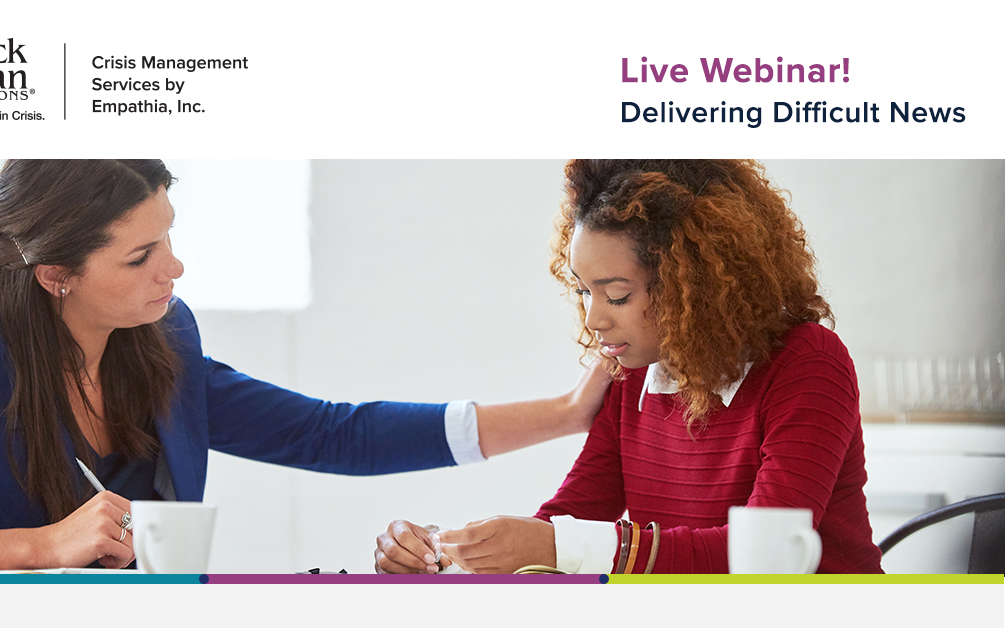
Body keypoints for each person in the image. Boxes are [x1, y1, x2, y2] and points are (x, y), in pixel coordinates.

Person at [0, 160, 609, 573]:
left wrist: (567, 413)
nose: (175, 270)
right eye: (141, 256)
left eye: (171, 238)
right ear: (58, 275)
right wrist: (38, 547)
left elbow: (334, 435)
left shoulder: (162, 339)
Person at [375, 159, 884, 574]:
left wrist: (554, 546)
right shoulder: (634, 375)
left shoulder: (808, 364)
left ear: (695, 285)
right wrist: (448, 557)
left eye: (616, 294)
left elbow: (765, 558)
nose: (594, 318)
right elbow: (566, 523)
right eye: (582, 289)